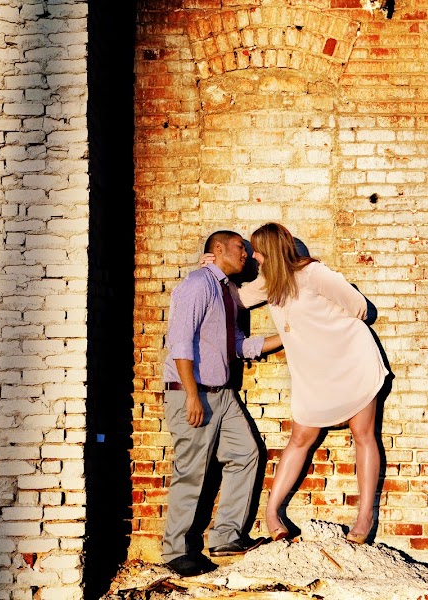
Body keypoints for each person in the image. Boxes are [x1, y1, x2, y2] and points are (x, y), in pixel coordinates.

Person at [237, 223, 389, 544]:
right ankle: (272, 513)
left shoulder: (314, 274)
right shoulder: (268, 284)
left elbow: (360, 308)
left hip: (351, 361)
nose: (253, 257)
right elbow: (234, 300)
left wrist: (328, 329)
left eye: (257, 251)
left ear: (271, 252)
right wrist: (209, 274)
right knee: (300, 438)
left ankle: (364, 517)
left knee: (363, 435)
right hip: (314, 372)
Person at [162, 230, 283, 577]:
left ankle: (226, 536)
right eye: (238, 247)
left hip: (223, 393)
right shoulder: (198, 284)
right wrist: (190, 395)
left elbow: (240, 346)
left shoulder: (226, 291)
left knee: (247, 453)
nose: (244, 253)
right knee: (192, 472)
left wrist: (289, 336)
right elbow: (180, 343)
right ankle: (175, 551)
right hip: (194, 390)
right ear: (217, 250)